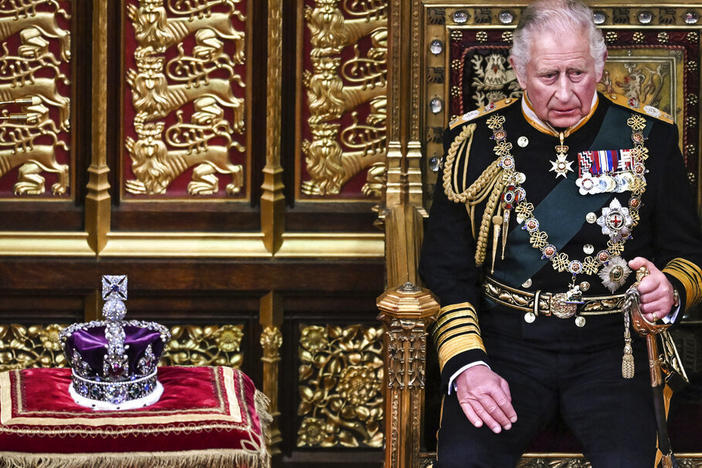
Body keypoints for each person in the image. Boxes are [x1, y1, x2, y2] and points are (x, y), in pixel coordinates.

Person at [419, 1, 702, 466]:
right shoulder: (474, 144)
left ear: (601, 63)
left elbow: (687, 254)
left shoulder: (648, 139)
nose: (565, 93)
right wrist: (468, 364)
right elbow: (445, 268)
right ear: (517, 69)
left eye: (578, 73)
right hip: (505, 346)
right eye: (549, 76)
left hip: (614, 351)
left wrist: (669, 290)